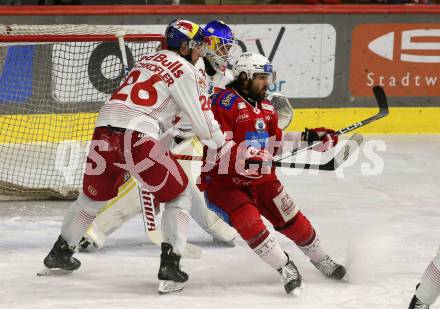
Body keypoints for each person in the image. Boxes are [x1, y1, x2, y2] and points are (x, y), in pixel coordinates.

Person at [41, 19, 225, 294]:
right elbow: (203, 126)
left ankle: (60, 252)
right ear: (184, 46)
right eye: (196, 46)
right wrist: (222, 143)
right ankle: (170, 266)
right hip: (137, 137)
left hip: (104, 131)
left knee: (91, 198)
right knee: (179, 195)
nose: (200, 51)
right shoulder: (188, 70)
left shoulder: (147, 60)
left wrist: (172, 134)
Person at [79, 20, 239, 252]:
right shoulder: (190, 64)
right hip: (158, 136)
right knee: (149, 191)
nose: (225, 53)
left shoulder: (225, 76)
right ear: (209, 44)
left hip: (190, 140)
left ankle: (219, 228)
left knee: (185, 190)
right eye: (223, 47)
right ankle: (95, 230)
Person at [200, 52, 346, 294]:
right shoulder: (222, 103)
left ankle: (321, 258)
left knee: (293, 220)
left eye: (268, 76)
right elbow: (218, 143)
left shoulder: (267, 107)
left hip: (261, 179)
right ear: (244, 77)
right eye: (261, 77)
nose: (267, 82)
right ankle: (284, 266)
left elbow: (275, 143)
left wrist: (310, 138)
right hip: (225, 184)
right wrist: (245, 155)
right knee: (250, 223)